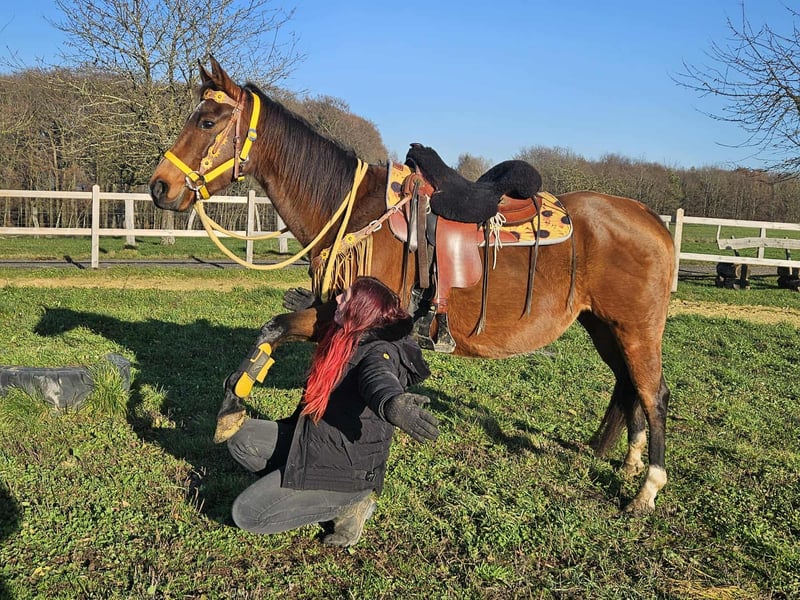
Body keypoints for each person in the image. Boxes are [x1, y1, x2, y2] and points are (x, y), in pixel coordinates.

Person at [227, 276, 439, 547]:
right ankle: (298, 482)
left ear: (362, 311)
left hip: (346, 470)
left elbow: (379, 378)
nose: (338, 298)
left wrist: (391, 403)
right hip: (315, 441)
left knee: (247, 513)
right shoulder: (350, 333)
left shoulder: (380, 351)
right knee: (241, 439)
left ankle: (349, 506)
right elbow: (325, 328)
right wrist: (314, 307)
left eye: (346, 298)